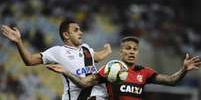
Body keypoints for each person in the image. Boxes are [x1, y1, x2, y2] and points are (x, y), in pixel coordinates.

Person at [47, 36, 201, 100]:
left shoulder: (144, 72)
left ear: (138, 52)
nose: (131, 51)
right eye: (128, 48)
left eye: (134, 48)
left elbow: (171, 80)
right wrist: (66, 71)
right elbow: (84, 83)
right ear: (121, 52)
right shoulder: (110, 68)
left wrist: (184, 69)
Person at [0, 19, 112, 100]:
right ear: (66, 35)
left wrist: (107, 50)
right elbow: (29, 60)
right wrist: (18, 41)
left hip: (98, 96)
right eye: (76, 30)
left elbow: (96, 57)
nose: (80, 32)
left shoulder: (85, 48)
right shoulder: (58, 51)